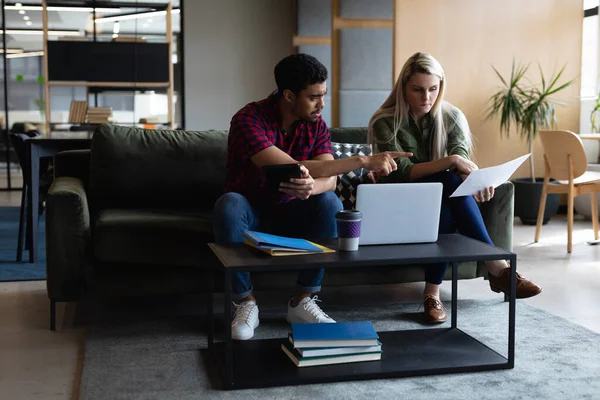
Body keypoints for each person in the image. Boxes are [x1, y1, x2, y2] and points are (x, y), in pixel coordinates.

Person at [214, 53, 411, 340]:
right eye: (314, 97)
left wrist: (312, 188)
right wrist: (362, 160)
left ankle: (302, 300)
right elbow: (292, 167)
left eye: (324, 95)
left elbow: (328, 179)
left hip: (294, 211)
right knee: (228, 204)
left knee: (330, 202)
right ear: (289, 95)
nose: (321, 104)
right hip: (251, 214)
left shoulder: (315, 124)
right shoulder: (248, 120)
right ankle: (245, 303)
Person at [368, 52, 542, 324]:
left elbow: (461, 158)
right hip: (400, 205)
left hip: (439, 205)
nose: (427, 97)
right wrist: (451, 162)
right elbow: (404, 172)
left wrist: (473, 180)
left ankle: (432, 295)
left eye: (433, 89)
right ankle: (497, 268)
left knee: (446, 203)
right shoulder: (384, 122)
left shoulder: (451, 117)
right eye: (418, 89)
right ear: (403, 87)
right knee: (447, 181)